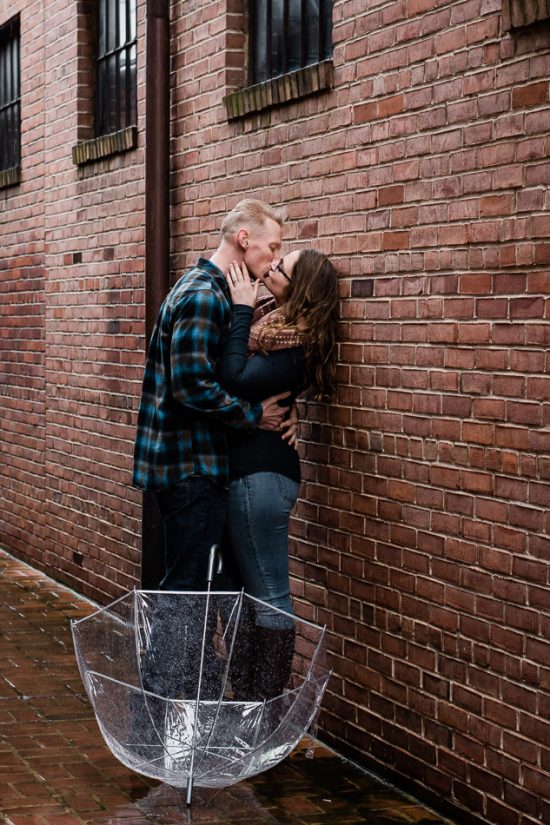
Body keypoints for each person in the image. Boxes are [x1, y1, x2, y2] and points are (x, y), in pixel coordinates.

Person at [131, 200, 294, 706]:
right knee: (186, 595)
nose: (275, 257)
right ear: (244, 239)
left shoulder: (200, 287)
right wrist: (254, 417)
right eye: (273, 246)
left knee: (200, 589)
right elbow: (191, 386)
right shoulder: (204, 295)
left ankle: (187, 699)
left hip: (187, 466)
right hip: (191, 468)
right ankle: (163, 711)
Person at [218, 248, 339, 701]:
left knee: (269, 595)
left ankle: (262, 707)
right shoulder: (277, 330)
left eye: (281, 268)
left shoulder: (294, 344)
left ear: (301, 288)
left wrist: (241, 308)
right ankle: (246, 698)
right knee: (249, 595)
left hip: (261, 477)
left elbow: (233, 376)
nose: (270, 268)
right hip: (256, 473)